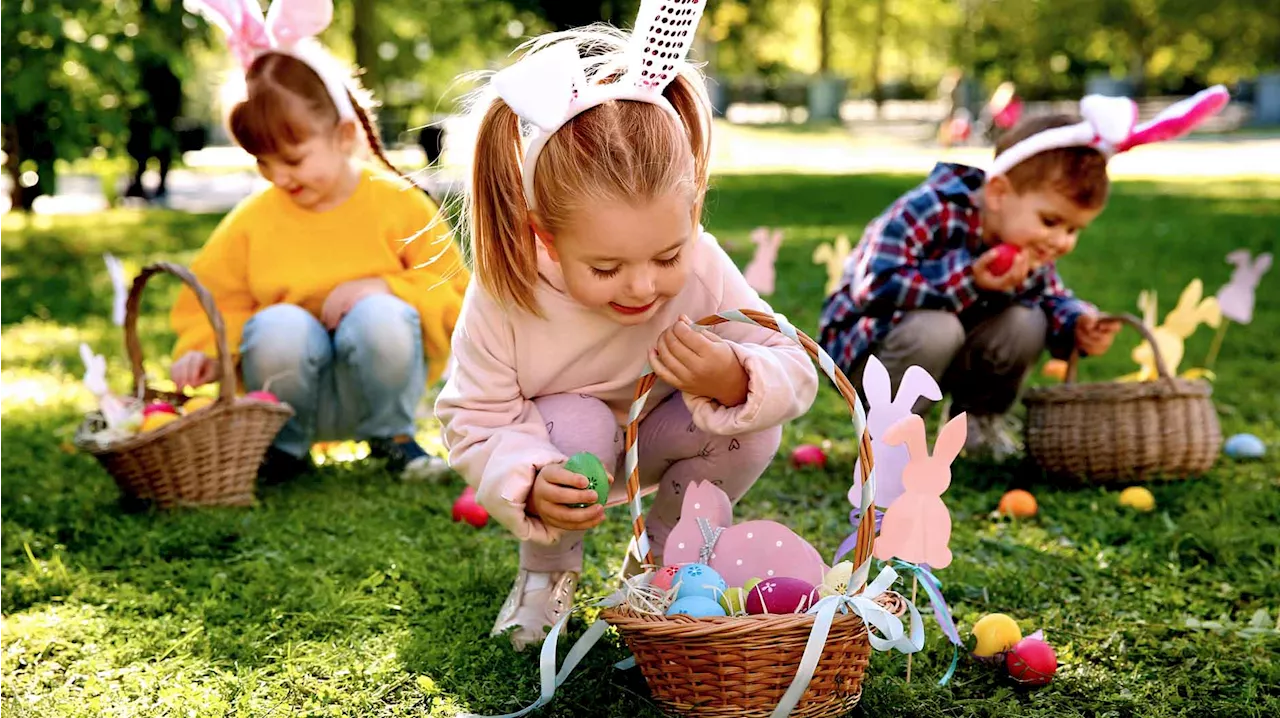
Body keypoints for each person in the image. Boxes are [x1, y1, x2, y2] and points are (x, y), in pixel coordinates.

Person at [434, 6, 818, 651]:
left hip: (668, 436)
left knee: (753, 426)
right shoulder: (508, 290)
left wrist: (735, 374)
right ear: (544, 238)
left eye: (666, 257)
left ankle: (664, 568)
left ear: (691, 210)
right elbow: (475, 416)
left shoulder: (700, 262)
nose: (643, 286)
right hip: (561, 446)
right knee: (576, 419)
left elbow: (794, 360)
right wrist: (527, 479)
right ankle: (548, 575)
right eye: (606, 267)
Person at [169, 0, 468, 481]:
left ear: (344, 135)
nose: (278, 177)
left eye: (293, 158)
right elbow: (212, 299)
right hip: (286, 398)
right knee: (277, 325)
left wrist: (385, 287)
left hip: (374, 388)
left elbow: (453, 289)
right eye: (263, 162)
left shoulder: (398, 203)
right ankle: (283, 450)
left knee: (380, 314)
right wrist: (206, 350)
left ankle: (393, 437)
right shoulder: (254, 220)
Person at [818, 114, 1123, 460]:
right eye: (1051, 222)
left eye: (1072, 230)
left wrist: (1076, 324)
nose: (1059, 240)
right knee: (938, 328)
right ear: (998, 194)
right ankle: (891, 439)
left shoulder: (1027, 244)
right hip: (869, 353)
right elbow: (874, 285)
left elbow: (1050, 298)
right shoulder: (930, 209)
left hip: (948, 357)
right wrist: (968, 280)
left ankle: (977, 426)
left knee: (1028, 321)